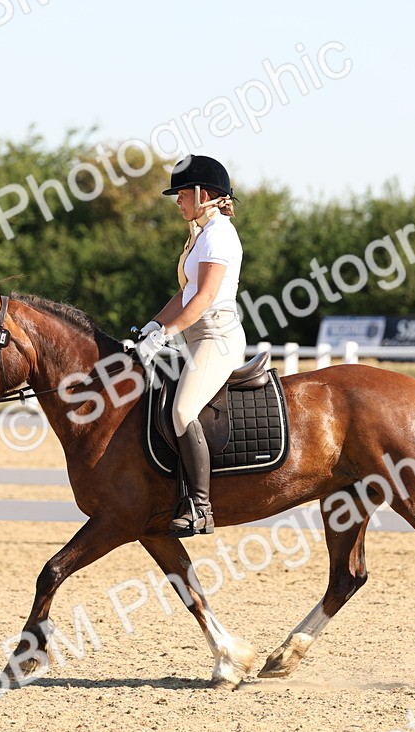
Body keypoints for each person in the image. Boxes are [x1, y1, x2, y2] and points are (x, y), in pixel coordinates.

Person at [136, 155, 247, 536]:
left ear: (204, 195)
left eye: (182, 194)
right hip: (196, 337)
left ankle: (201, 507)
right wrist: (153, 325)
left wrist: (165, 335)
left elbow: (203, 298)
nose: (178, 201)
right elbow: (184, 295)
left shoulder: (219, 235)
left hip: (217, 338)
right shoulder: (200, 235)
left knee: (183, 410)